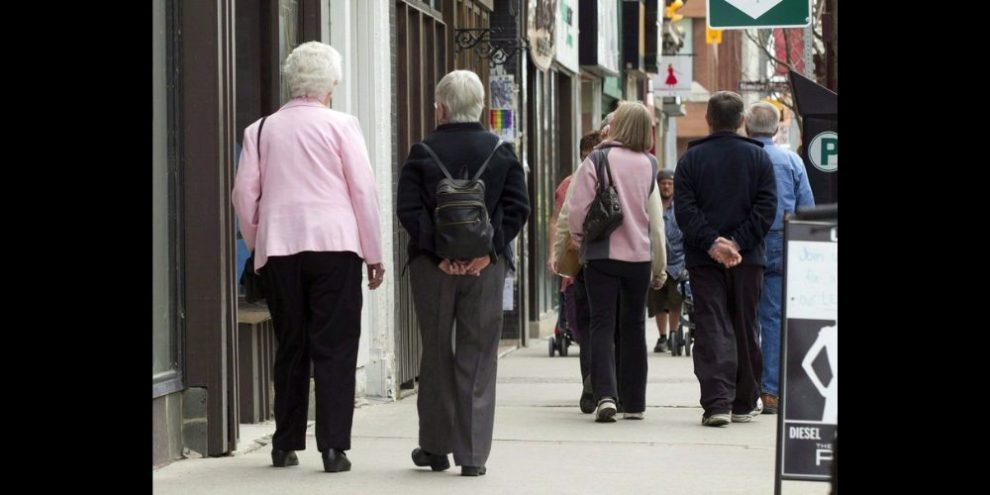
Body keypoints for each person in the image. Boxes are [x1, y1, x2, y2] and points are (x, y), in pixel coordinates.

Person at [231, 41, 385, 472]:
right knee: (335, 345)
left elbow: (244, 195)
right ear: (330, 84)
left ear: (290, 82)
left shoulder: (259, 130)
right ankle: (333, 447)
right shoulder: (342, 125)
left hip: (280, 247)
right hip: (336, 245)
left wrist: (259, 238)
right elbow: (363, 191)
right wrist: (373, 252)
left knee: (291, 343)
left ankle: (284, 443)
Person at [396, 69, 531, 476]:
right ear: (480, 109)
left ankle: (435, 447)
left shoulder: (422, 152)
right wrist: (487, 254)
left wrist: (439, 254)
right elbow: (517, 207)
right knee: (478, 354)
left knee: (436, 351)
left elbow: (409, 210)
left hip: (431, 269)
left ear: (441, 107)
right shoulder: (501, 152)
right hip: (485, 270)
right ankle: (472, 456)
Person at [673, 91, 777, 427]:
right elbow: (766, 209)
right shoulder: (759, 159)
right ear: (741, 121)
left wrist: (712, 243)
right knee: (745, 325)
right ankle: (744, 401)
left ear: (708, 119)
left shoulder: (691, 160)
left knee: (712, 325)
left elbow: (684, 212)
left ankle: (717, 403)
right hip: (748, 259)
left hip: (704, 260)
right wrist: (737, 243)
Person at [567, 101, 667, 423]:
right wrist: (657, 264)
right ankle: (635, 401)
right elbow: (654, 220)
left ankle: (606, 396)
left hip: (602, 255)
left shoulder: (598, 159)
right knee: (635, 326)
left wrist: (581, 241)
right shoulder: (650, 164)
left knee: (601, 324)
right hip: (638, 257)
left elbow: (577, 208)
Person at [745, 101, 815, 415]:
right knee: (772, 317)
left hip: (746, 240)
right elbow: (806, 208)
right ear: (775, 129)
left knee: (743, 315)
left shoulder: (742, 158)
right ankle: (770, 391)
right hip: (782, 238)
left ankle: (745, 388)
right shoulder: (790, 161)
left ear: (747, 128)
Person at [549, 130, 602, 414]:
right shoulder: (571, 183)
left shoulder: (581, 179)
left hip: (586, 262)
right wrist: (555, 257)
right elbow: (558, 220)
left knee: (593, 328)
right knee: (589, 328)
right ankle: (596, 385)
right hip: (588, 265)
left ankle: (594, 385)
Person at [647, 169, 686, 353]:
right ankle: (662, 337)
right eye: (663, 183)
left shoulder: (680, 207)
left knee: (675, 300)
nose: (666, 186)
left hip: (678, 262)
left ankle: (673, 333)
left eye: (670, 183)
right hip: (655, 261)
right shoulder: (651, 204)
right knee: (658, 301)